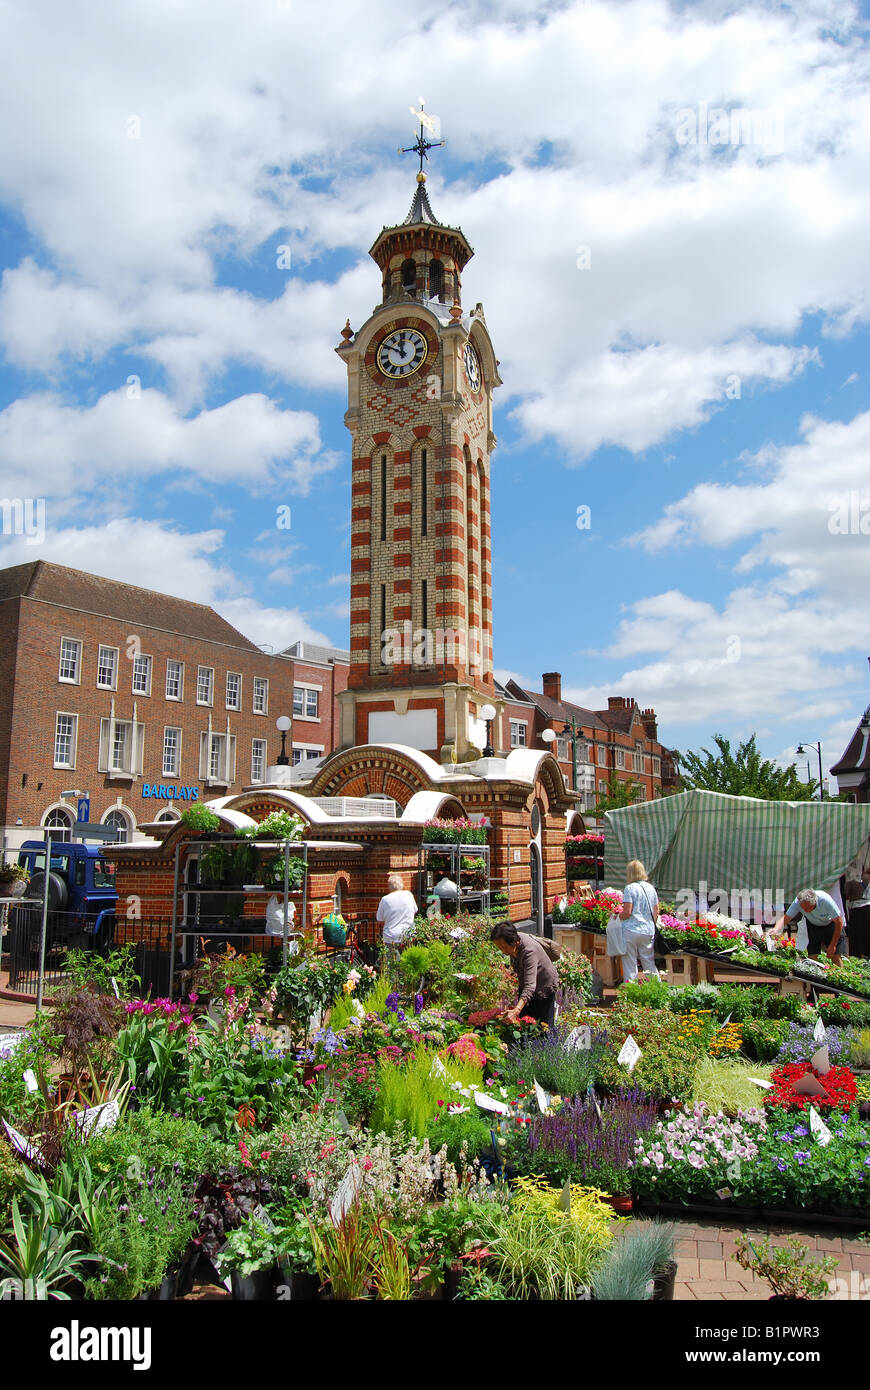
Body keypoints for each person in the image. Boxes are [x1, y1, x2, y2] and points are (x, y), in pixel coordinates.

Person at [490, 920, 558, 1029]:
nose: (502, 950)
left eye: (503, 947)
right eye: (499, 947)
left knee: (543, 1027)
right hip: (528, 985)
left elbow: (530, 986)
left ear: (514, 942)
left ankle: (549, 1045)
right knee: (524, 1023)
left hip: (544, 986)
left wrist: (516, 1010)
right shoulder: (515, 940)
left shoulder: (529, 951)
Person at [770, 888, 844, 962]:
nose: (805, 911)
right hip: (813, 925)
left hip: (831, 925)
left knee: (835, 955)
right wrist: (776, 929)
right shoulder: (798, 902)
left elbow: (839, 921)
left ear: (814, 902)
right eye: (803, 908)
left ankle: (840, 972)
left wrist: (833, 945)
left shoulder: (825, 901)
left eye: (808, 908)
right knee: (812, 955)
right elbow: (786, 917)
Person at [618, 859, 660, 983]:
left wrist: (616, 917)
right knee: (648, 961)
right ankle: (656, 988)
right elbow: (656, 910)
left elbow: (627, 912)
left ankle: (631, 991)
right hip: (648, 929)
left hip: (631, 930)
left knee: (630, 963)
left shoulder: (629, 888)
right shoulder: (651, 888)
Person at [376, 873, 417, 946]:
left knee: (392, 957)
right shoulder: (409, 895)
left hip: (391, 936)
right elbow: (414, 911)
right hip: (408, 934)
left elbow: (380, 920)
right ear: (401, 884)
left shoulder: (385, 899)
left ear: (389, 886)